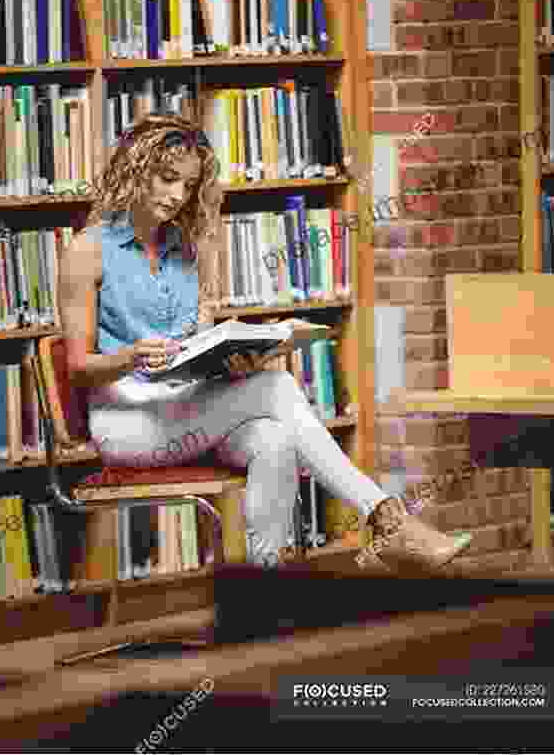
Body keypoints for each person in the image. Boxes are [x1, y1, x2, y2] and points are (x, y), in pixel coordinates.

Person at [58, 114, 472, 571]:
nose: (176, 195)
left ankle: (264, 581)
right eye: (167, 178)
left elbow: (193, 351)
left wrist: (232, 363)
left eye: (188, 185)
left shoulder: (187, 249)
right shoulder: (88, 249)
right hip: (128, 424)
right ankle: (387, 519)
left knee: (273, 438)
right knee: (275, 390)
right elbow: (78, 366)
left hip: (188, 410)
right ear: (136, 169)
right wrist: (129, 357)